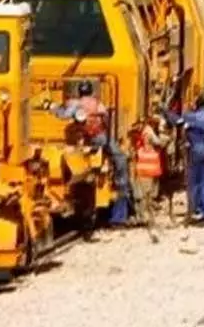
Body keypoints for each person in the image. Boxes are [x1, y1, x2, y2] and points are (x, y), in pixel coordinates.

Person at [52, 80, 130, 227]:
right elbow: (106, 117)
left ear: (79, 92)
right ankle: (120, 208)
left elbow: (64, 115)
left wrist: (53, 108)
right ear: (91, 91)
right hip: (101, 137)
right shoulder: (97, 103)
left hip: (83, 138)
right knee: (120, 159)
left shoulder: (75, 103)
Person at [169, 96, 204, 223]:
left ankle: (194, 208)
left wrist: (165, 111)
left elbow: (177, 120)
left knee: (193, 182)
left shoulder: (192, 117)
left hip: (195, 150)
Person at [129, 115, 169, 226]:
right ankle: (144, 217)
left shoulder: (140, 133)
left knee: (141, 194)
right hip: (147, 167)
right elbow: (160, 143)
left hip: (143, 167)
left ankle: (142, 216)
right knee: (144, 194)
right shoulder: (148, 131)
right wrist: (165, 136)